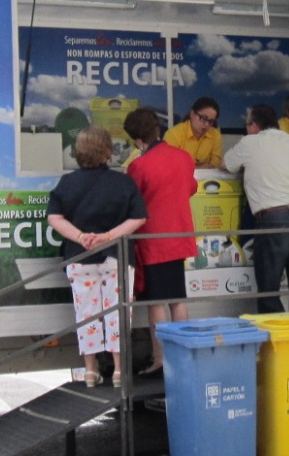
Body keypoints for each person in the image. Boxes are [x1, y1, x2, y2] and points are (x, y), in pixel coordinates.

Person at [47, 127, 148, 388]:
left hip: (79, 257)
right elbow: (139, 218)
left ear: (79, 151)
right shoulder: (123, 182)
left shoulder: (66, 183)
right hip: (116, 257)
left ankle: (91, 371)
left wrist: (81, 237)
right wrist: (108, 237)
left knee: (87, 314)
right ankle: (119, 371)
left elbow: (54, 217)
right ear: (107, 151)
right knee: (117, 312)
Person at [124, 108, 198, 375]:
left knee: (156, 302)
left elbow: (132, 202)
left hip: (153, 240)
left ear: (138, 140)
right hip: (179, 237)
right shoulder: (184, 157)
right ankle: (183, 358)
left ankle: (161, 360)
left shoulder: (138, 166)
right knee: (178, 299)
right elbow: (191, 187)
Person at [223, 103, 289, 313]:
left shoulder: (250, 142)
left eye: (247, 126)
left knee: (268, 286)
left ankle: (275, 329)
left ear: (254, 126)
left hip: (274, 216)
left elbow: (226, 164)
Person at [163, 97, 223, 169]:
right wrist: (201, 166)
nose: (206, 124)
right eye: (203, 118)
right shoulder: (174, 134)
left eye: (211, 121)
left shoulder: (215, 135)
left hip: (204, 175)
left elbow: (215, 164)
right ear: (192, 114)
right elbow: (169, 164)